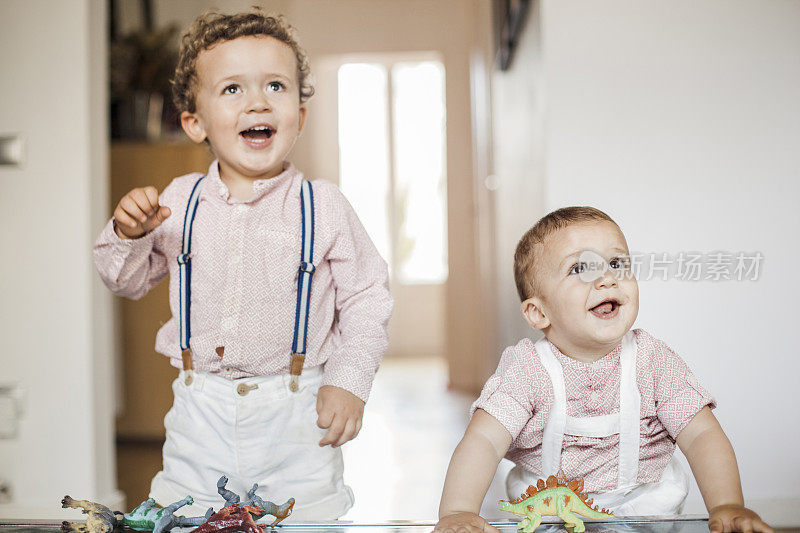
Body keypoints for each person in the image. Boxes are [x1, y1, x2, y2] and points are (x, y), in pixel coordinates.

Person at [93, 10, 392, 520]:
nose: (257, 101)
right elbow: (125, 280)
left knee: (304, 521)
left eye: (275, 86)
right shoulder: (179, 200)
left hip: (296, 417)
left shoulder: (322, 206)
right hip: (198, 414)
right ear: (194, 122)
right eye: (232, 89)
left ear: (300, 114)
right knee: (184, 520)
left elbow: (367, 297)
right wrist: (127, 235)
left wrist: (349, 379)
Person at [434, 207, 771, 533]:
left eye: (616, 263)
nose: (608, 278)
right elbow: (483, 440)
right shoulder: (526, 370)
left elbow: (701, 435)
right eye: (580, 268)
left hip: (647, 512)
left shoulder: (653, 361)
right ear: (539, 313)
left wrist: (727, 504)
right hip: (553, 516)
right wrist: (458, 511)